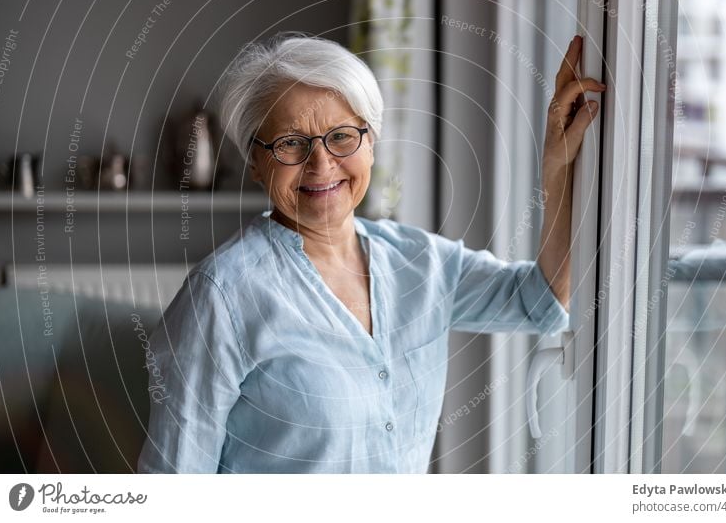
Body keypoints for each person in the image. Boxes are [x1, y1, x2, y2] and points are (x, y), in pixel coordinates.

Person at [137, 33, 605, 473]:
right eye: (291, 144)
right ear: (257, 163)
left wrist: (557, 172)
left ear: (371, 142)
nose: (321, 163)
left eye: (342, 136)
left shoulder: (418, 262)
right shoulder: (220, 298)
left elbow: (541, 301)